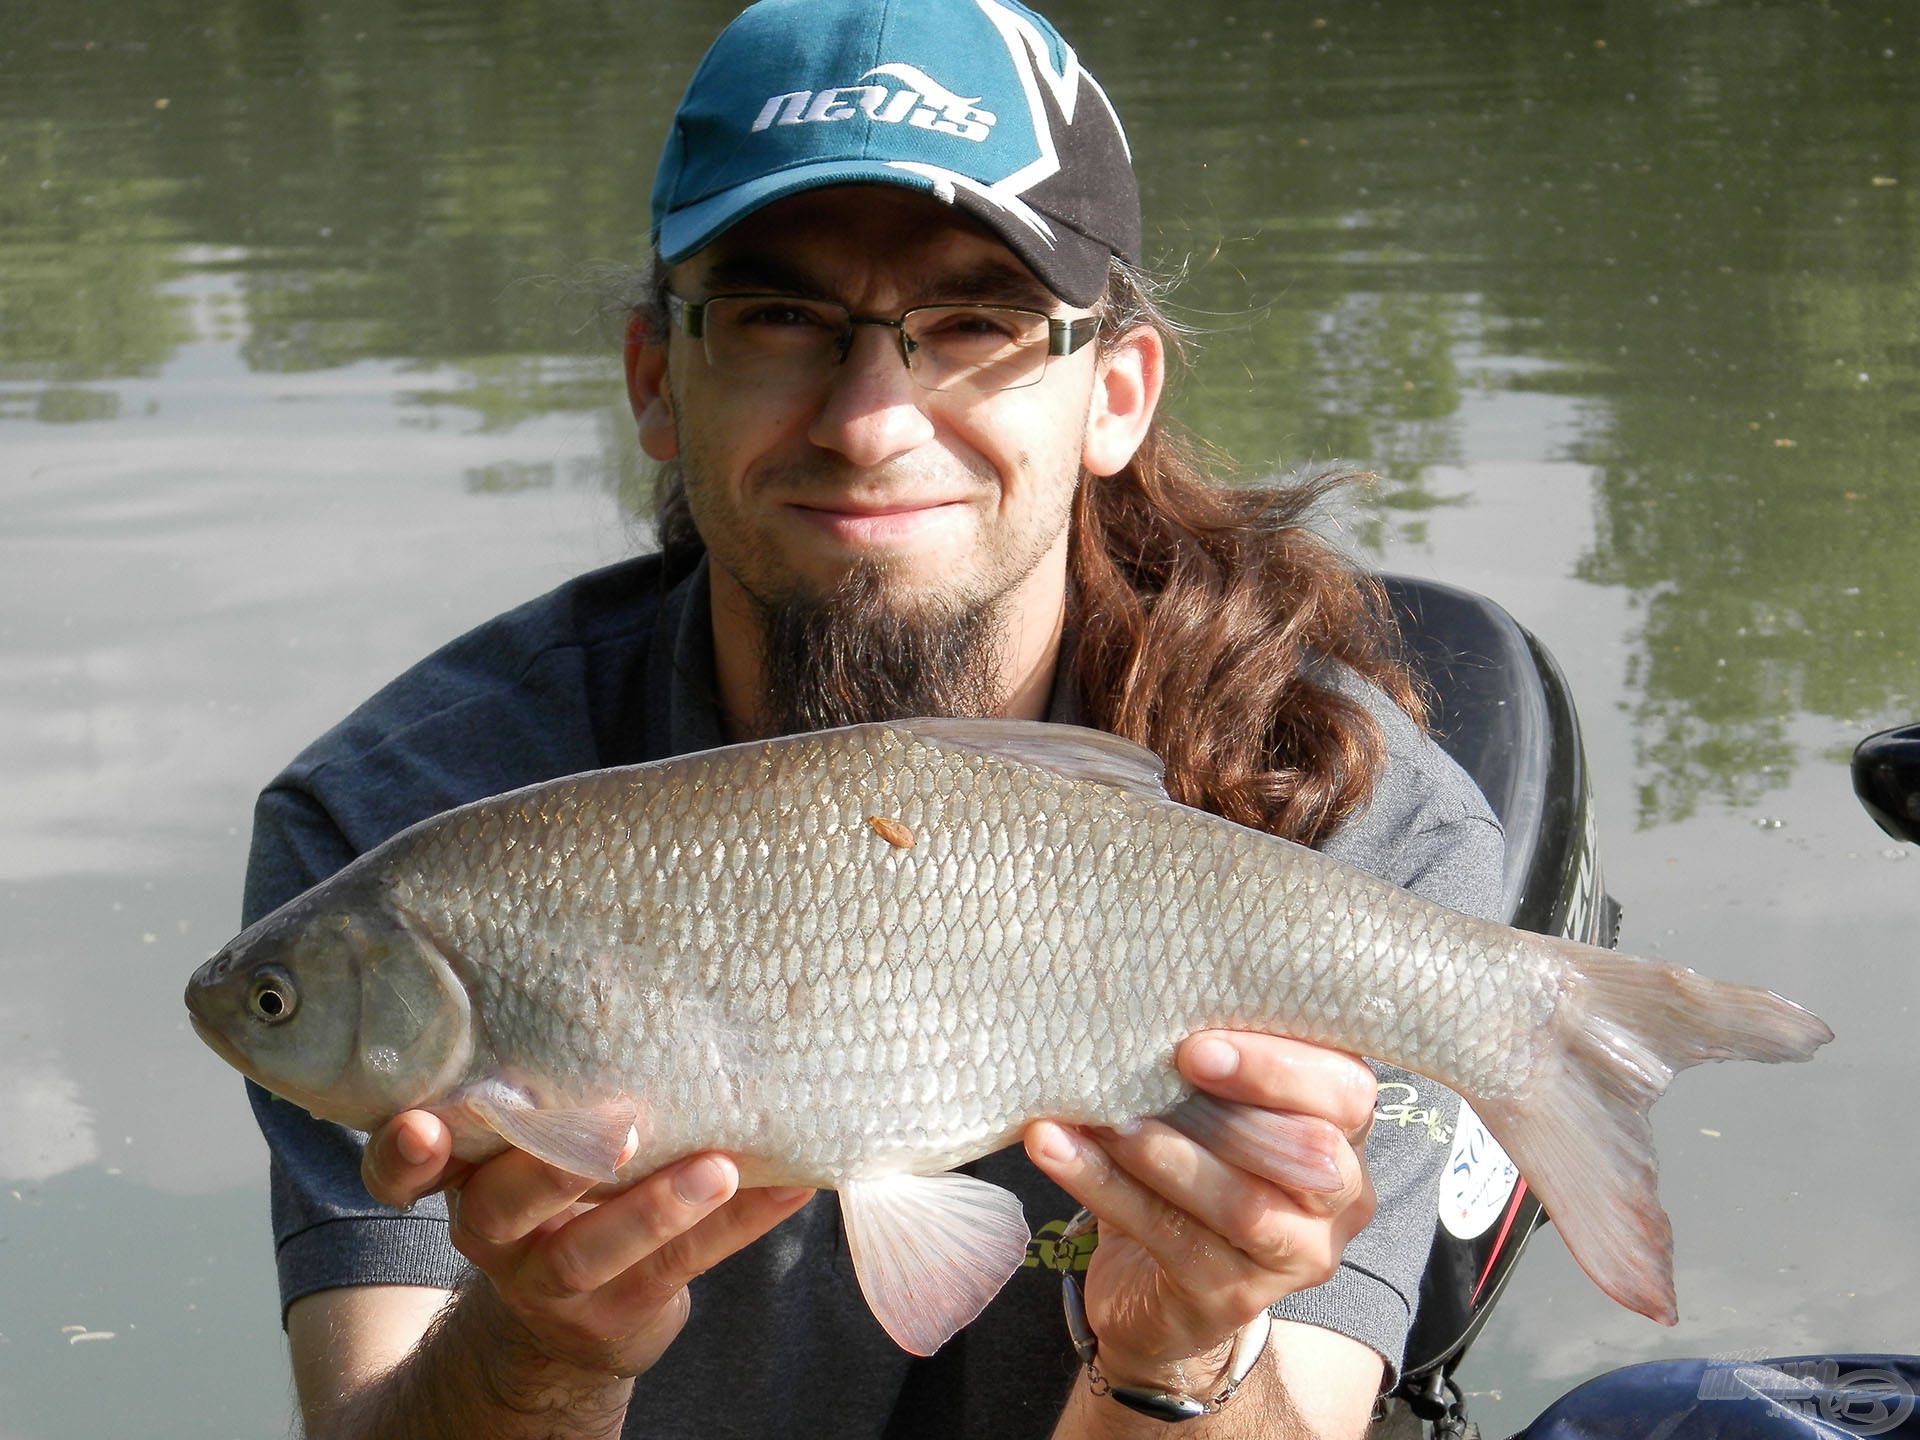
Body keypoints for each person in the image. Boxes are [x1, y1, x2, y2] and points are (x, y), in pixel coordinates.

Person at [241, 1, 1504, 1436]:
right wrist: (540, 1347)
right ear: (657, 378)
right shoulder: (403, 837)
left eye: (976, 323)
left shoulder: (1347, 824)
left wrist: (1178, 1354)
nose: (870, 418)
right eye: (780, 316)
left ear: (1118, 394)